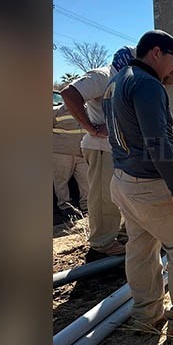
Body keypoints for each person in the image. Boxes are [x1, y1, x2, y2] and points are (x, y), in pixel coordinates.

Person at [104, 29, 173, 336]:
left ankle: (146, 315)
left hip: (123, 181)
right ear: (157, 52)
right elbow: (157, 142)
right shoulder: (147, 85)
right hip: (151, 185)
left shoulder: (117, 81)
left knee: (141, 247)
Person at [60, 46, 135, 256]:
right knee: (103, 197)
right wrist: (91, 128)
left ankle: (118, 234)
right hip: (102, 147)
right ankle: (102, 243)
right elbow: (69, 93)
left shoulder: (122, 79)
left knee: (120, 195)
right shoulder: (102, 76)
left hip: (117, 148)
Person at [52, 103, 89, 218]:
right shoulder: (56, 111)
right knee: (61, 181)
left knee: (86, 181)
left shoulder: (88, 110)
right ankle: (65, 207)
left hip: (82, 152)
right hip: (61, 153)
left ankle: (86, 207)